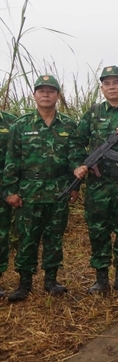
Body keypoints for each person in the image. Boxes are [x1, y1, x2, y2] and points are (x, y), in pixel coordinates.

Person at [72, 66, 118, 294]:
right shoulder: (93, 113)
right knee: (98, 230)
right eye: (107, 83)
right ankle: (101, 278)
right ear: (102, 88)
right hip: (98, 185)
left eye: (116, 82)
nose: (111, 87)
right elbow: (76, 143)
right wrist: (78, 165)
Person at [2, 75, 77, 302]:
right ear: (34, 95)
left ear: (58, 96)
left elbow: (74, 159)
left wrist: (75, 187)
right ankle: (24, 283)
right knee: (27, 238)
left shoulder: (68, 125)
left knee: (54, 237)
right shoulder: (21, 125)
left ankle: (51, 281)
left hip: (59, 190)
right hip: (29, 191)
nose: (46, 94)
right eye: (41, 91)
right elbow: (12, 159)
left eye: (50, 91)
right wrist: (10, 190)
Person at [0, 109, 16, 298]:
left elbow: (16, 157)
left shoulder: (12, 122)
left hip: (2, 187)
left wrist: (12, 189)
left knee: (1, 235)